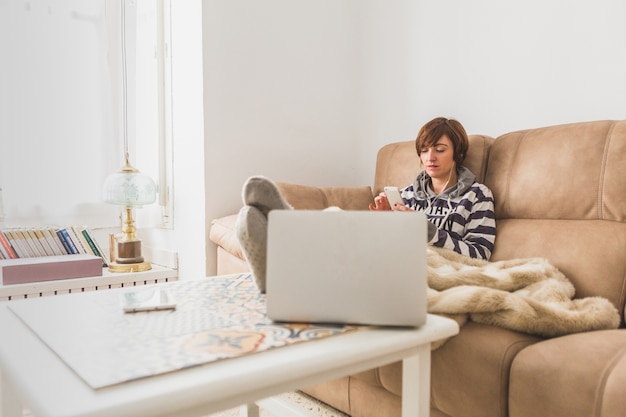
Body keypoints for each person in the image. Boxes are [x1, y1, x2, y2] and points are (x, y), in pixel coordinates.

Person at [369, 117, 496, 260]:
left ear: (458, 153)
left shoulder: (477, 195)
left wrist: (428, 231)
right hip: (405, 265)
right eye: (424, 150)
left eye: (439, 150)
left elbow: (480, 255)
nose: (430, 158)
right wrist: (384, 222)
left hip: (446, 271)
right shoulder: (407, 195)